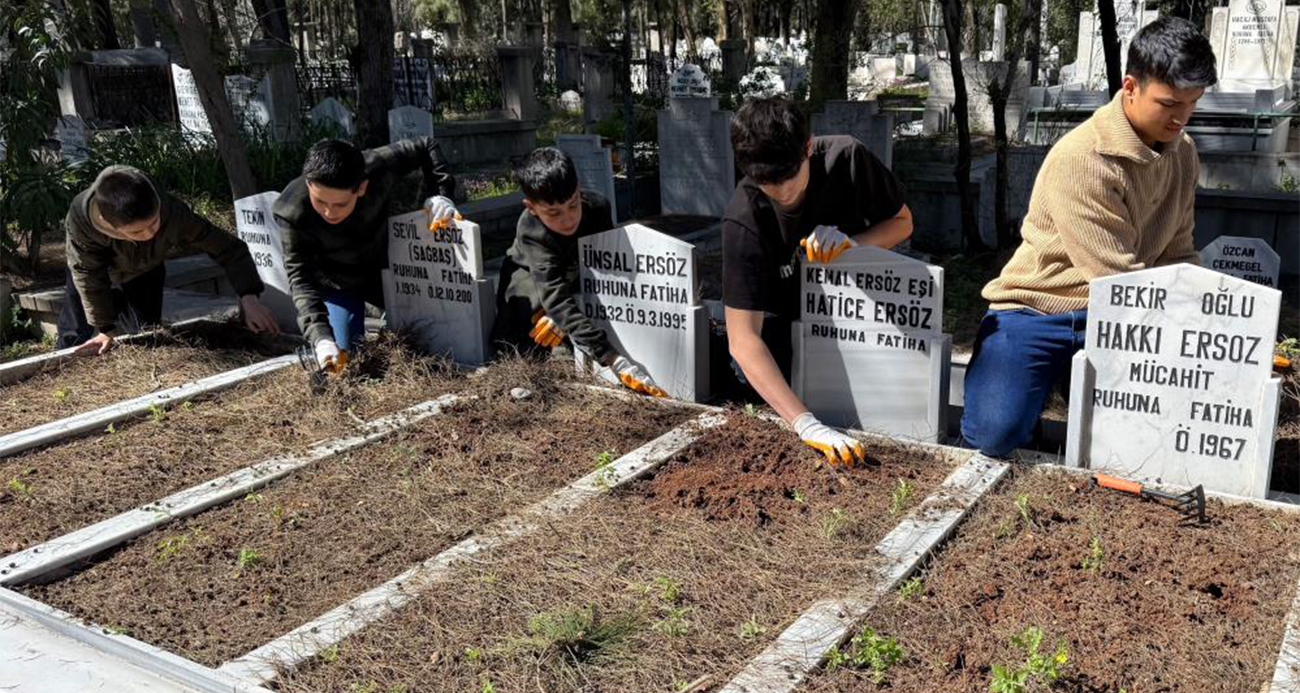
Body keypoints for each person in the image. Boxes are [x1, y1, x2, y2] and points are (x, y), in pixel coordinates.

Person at [961, 16, 1214, 458]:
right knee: (995, 436)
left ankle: (1059, 388)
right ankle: (1032, 390)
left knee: (1151, 442)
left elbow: (1179, 253)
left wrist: (1211, 321)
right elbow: (1115, 276)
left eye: (1193, 102)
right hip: (1040, 309)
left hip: (1125, 312)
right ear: (1131, 87)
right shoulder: (1083, 159)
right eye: (1169, 103)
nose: (1182, 117)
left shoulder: (1183, 153)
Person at [722, 98, 914, 465]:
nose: (782, 193)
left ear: (807, 147)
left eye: (788, 178)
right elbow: (743, 339)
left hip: (855, 310)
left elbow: (903, 223)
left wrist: (853, 245)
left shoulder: (847, 159)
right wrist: (805, 424)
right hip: (786, 321)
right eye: (767, 183)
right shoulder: (744, 218)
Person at [491, 147, 666, 397]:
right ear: (531, 207)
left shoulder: (597, 207)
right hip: (530, 280)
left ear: (579, 190)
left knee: (565, 323)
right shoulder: (531, 230)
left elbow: (605, 266)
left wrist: (572, 307)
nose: (568, 219)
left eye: (573, 205)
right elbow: (553, 294)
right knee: (527, 342)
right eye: (553, 213)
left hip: (573, 273)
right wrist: (612, 358)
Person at [274, 137, 456, 370]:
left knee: (432, 333)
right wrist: (320, 338)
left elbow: (426, 145)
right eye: (320, 201)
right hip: (338, 281)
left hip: (383, 265)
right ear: (309, 184)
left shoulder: (375, 165)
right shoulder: (291, 211)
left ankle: (382, 309)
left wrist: (441, 193)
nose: (329, 212)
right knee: (345, 354)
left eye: (340, 204)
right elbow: (300, 279)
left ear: (361, 187)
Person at [59, 165, 279, 353]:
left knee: (145, 338)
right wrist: (105, 328)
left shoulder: (173, 213)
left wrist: (248, 296)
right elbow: (88, 275)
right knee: (76, 335)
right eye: (137, 232)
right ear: (110, 225)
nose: (149, 234)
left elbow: (228, 248)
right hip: (90, 272)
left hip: (143, 270)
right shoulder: (82, 219)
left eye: (154, 223)